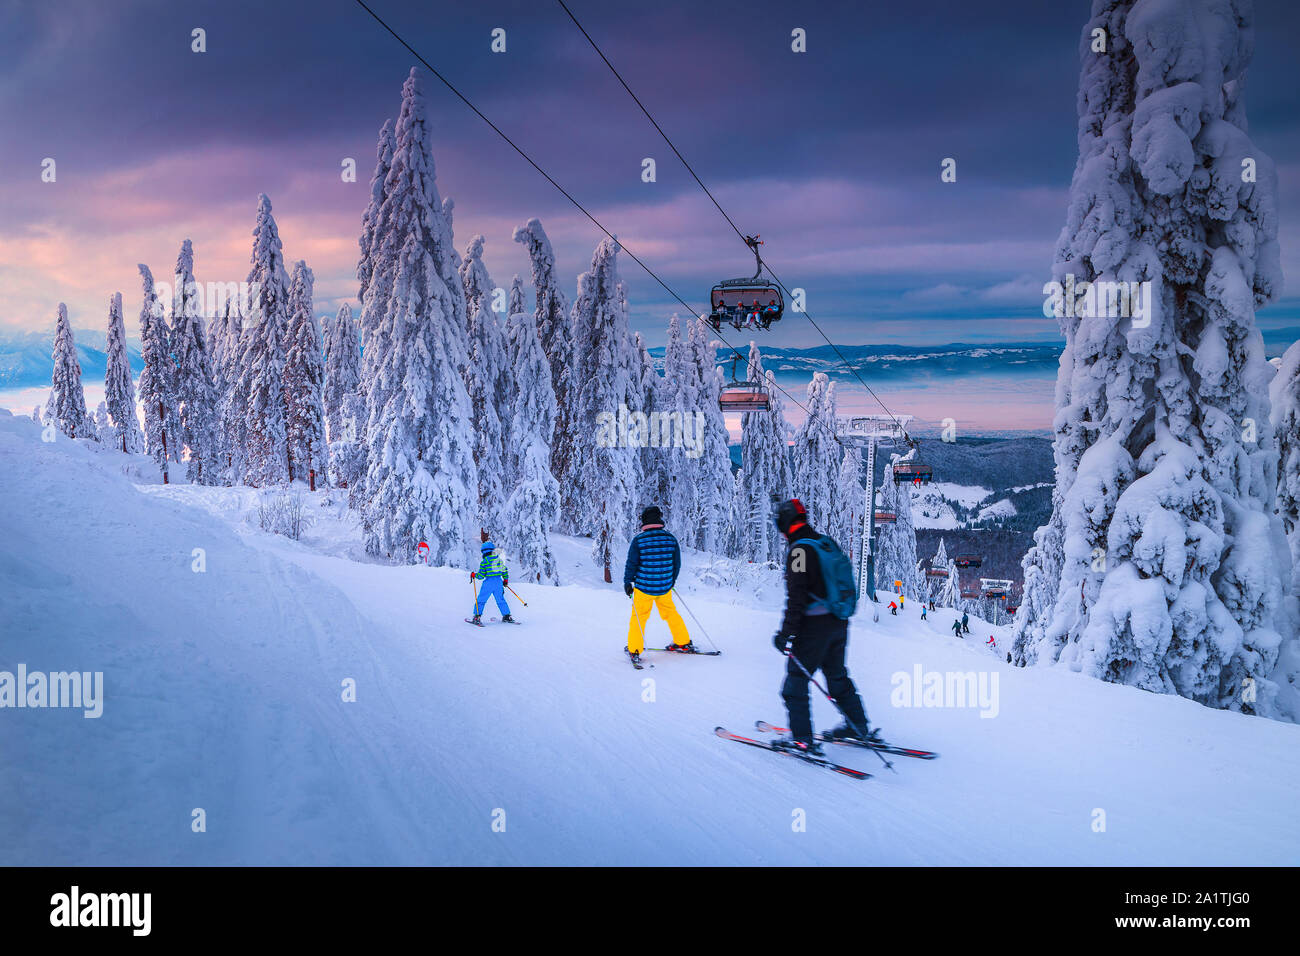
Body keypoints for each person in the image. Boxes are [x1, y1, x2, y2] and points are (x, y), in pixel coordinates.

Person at [770, 499, 877, 755]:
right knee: (837, 676)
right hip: (839, 623)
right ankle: (858, 726)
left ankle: (802, 740)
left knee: (795, 683)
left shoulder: (798, 551)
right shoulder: (823, 543)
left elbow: (796, 598)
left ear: (785, 523)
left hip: (814, 627)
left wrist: (785, 634)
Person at [623, 505, 692, 664]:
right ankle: (683, 642)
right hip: (664, 588)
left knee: (639, 618)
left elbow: (631, 564)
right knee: (671, 614)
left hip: (644, 588)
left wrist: (628, 582)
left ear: (644, 520)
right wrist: (671, 581)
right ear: (659, 518)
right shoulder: (670, 538)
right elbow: (677, 564)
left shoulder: (639, 540)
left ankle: (634, 650)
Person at [470, 541, 513, 624]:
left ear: (483, 552)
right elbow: (504, 570)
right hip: (498, 583)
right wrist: (505, 580)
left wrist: (474, 575)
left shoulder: (484, 562)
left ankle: (477, 617)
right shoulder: (499, 561)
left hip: (488, 583)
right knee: (500, 600)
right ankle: (507, 616)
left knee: (481, 600)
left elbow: (481, 576)